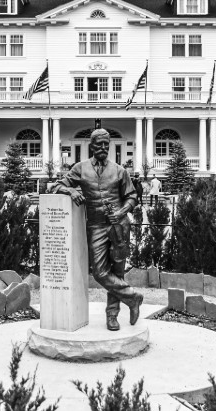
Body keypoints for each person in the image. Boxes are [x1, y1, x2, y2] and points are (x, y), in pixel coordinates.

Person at [49, 128, 144, 331]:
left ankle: (112, 316)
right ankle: (133, 297)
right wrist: (71, 190)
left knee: (117, 271)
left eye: (106, 145)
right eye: (99, 144)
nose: (103, 148)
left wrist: (121, 211)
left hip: (119, 226)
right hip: (96, 226)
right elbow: (55, 186)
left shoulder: (120, 170)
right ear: (91, 146)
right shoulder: (80, 168)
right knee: (100, 272)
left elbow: (132, 197)